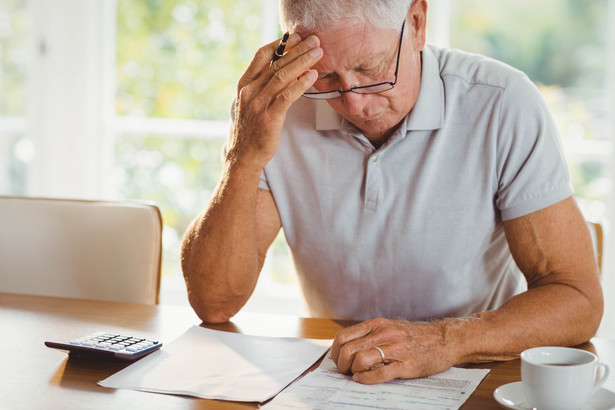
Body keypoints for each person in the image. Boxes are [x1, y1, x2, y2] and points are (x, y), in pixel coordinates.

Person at [181, 0, 604, 384]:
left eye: (371, 69)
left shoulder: (502, 104)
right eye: (326, 76)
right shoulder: (279, 111)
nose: (354, 104)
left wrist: (443, 340)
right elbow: (215, 303)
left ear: (417, 23)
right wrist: (242, 157)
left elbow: (577, 299)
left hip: (471, 372)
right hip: (340, 379)